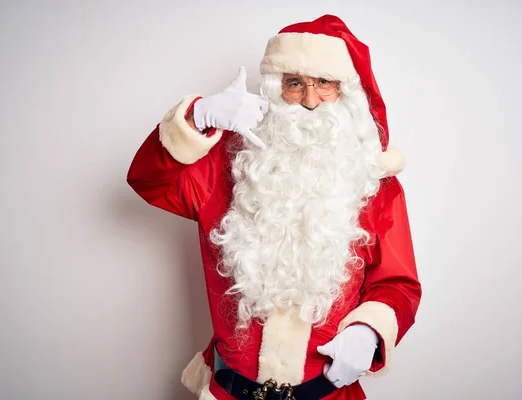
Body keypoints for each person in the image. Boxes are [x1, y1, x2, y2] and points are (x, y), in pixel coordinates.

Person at [127, 14, 421, 400]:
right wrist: (199, 117)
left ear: (345, 93)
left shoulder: (375, 185)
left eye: (325, 84)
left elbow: (398, 285)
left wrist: (369, 331)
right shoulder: (226, 167)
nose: (311, 101)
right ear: (275, 88)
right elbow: (149, 181)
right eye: (295, 83)